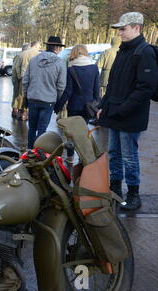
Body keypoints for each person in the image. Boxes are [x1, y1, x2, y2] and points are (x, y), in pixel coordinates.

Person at [97, 12, 158, 211]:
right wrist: (102, 106)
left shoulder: (144, 51)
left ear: (136, 28)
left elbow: (145, 88)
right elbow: (112, 84)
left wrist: (122, 110)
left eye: (123, 29)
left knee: (129, 156)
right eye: (119, 29)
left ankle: (133, 194)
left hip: (130, 116)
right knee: (114, 153)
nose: (119, 33)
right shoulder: (123, 51)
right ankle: (115, 189)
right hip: (115, 113)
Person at [23, 36, 66, 149]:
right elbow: (61, 85)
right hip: (48, 101)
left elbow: (25, 80)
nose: (60, 50)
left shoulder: (33, 60)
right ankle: (38, 154)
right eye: (59, 47)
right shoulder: (60, 63)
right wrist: (58, 100)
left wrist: (26, 96)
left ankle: (30, 151)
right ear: (56, 48)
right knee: (42, 129)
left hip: (32, 98)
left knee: (32, 128)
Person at [55, 45, 100, 123]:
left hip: (74, 106)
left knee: (73, 132)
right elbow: (96, 89)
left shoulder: (71, 69)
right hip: (89, 106)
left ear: (74, 53)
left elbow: (68, 91)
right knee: (83, 130)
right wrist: (97, 106)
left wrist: (58, 106)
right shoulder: (94, 68)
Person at [17, 40, 41, 121]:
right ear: (36, 46)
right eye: (39, 46)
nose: (39, 48)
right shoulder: (38, 54)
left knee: (22, 94)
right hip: (33, 77)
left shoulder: (23, 53)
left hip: (23, 76)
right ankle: (26, 113)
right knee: (30, 95)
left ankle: (20, 112)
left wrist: (19, 76)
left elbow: (18, 66)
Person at [11, 43, 30, 118]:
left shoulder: (19, 55)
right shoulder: (21, 56)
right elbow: (17, 68)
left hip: (16, 78)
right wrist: (20, 77)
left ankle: (15, 110)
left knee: (16, 95)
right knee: (21, 95)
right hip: (18, 79)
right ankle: (21, 111)